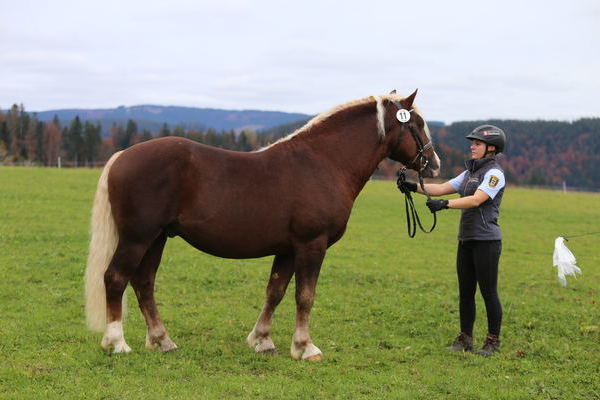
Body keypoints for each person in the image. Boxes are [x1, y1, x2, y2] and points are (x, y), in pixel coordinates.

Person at [399, 125, 506, 357]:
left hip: (486, 242)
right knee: (466, 292)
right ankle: (465, 339)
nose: (472, 146)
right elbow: (441, 188)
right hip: (466, 239)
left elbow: (477, 200)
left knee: (489, 293)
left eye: (477, 143)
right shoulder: (469, 173)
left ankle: (492, 342)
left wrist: (446, 205)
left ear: (491, 148)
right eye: (473, 143)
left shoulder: (494, 174)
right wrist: (414, 187)